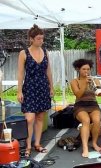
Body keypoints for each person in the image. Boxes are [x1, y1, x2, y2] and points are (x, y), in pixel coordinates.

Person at [17, 24, 54, 157]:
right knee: (29, 118)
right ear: (31, 39)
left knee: (40, 117)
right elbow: (21, 74)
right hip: (30, 87)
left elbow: (48, 71)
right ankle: (27, 146)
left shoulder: (45, 51)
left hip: (43, 86)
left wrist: (51, 86)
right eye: (38, 39)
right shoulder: (23, 53)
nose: (41, 41)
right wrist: (19, 91)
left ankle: (37, 144)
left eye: (42, 39)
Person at [70, 59, 101, 158]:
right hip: (80, 104)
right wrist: (84, 84)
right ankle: (85, 147)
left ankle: (94, 143)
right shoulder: (74, 81)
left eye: (88, 69)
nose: (86, 71)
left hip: (93, 104)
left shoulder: (95, 80)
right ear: (78, 69)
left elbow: (100, 94)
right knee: (86, 120)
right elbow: (78, 95)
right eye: (84, 69)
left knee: (97, 120)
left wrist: (98, 89)